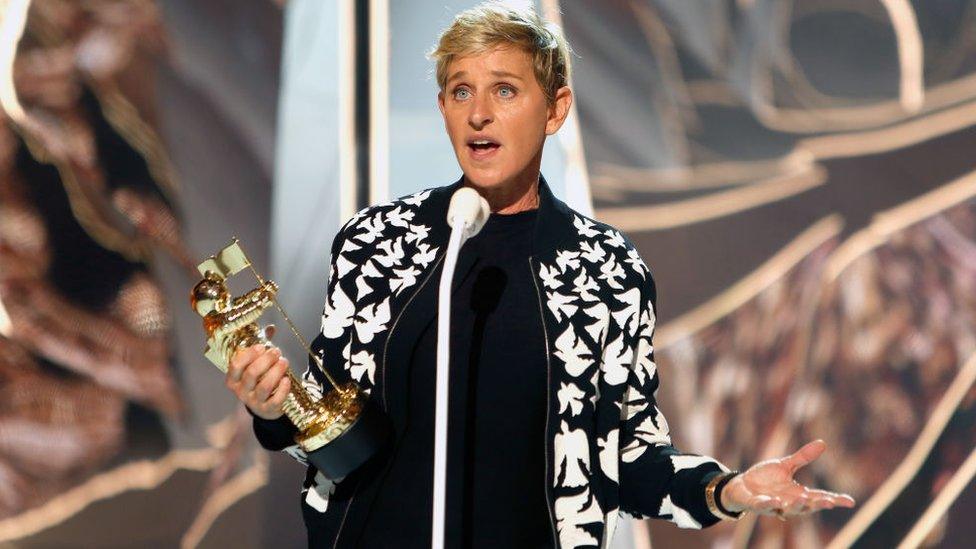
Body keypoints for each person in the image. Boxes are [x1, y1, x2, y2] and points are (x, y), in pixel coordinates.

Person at [223, 3, 855, 547]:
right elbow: (330, 427)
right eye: (460, 91)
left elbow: (629, 459)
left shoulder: (605, 270)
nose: (478, 115)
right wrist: (275, 405)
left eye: (504, 90)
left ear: (555, 109)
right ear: (442, 108)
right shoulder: (378, 245)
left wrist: (728, 491)